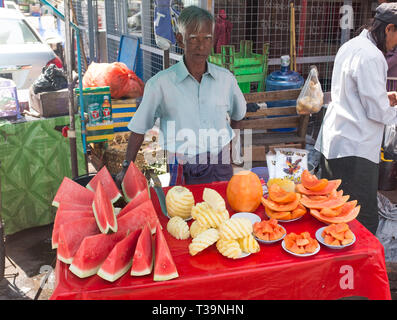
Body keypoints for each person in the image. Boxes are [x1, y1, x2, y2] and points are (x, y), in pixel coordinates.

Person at [116, 5, 246, 187]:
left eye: (207, 39)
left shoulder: (226, 80)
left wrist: (234, 150)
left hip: (221, 167)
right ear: (180, 40)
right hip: (182, 167)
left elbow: (238, 116)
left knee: (222, 213)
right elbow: (138, 128)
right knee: (182, 214)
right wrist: (125, 167)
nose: (201, 46)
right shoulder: (160, 84)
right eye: (193, 39)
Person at [315, 2, 397, 235]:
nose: (394, 46)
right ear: (389, 29)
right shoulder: (372, 57)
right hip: (355, 149)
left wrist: (385, 98)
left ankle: (334, 266)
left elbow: (356, 93)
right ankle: (357, 268)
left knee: (333, 211)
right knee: (361, 220)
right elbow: (377, 112)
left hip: (335, 142)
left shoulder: (351, 45)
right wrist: (388, 105)